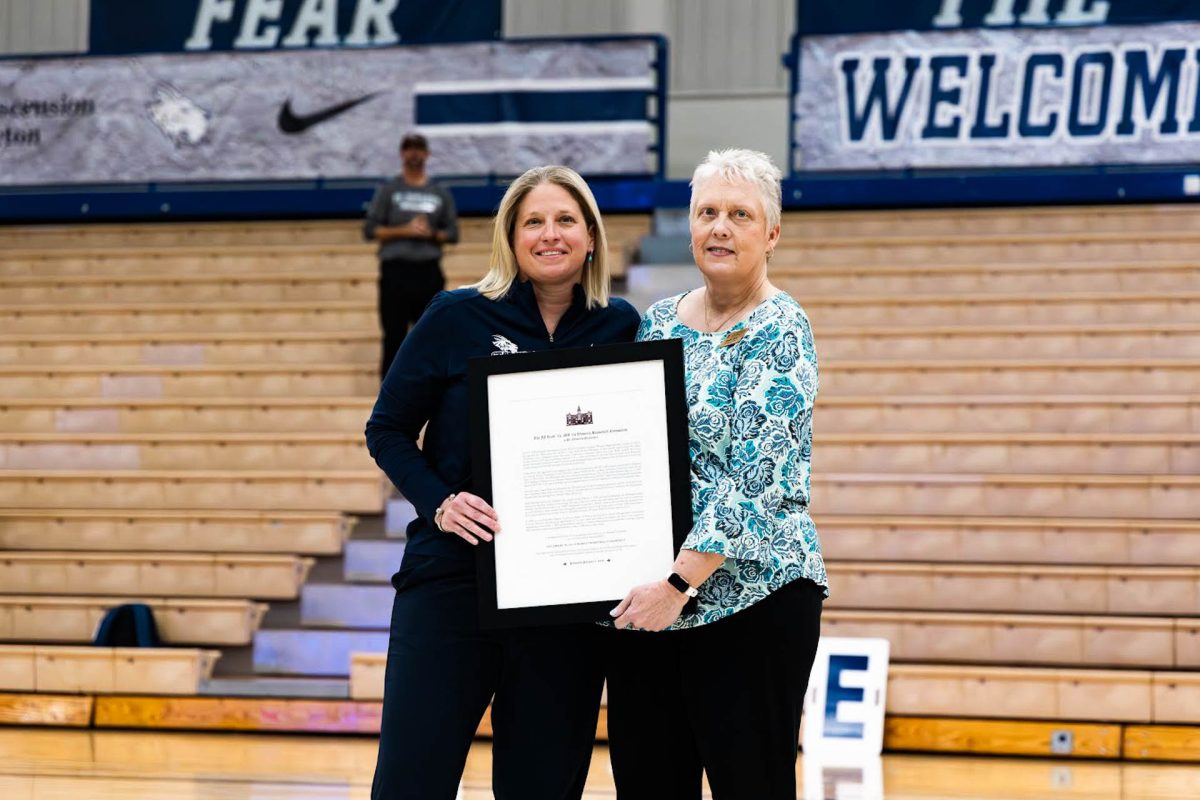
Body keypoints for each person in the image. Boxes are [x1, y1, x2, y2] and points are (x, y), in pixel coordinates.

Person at [364, 165, 641, 800]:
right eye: (534, 222)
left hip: (565, 602)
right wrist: (439, 502)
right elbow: (387, 429)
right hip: (451, 584)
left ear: (591, 236)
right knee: (411, 781)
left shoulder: (621, 327)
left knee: (542, 787)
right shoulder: (455, 315)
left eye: (566, 220)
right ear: (510, 238)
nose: (550, 234)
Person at [606, 148, 828, 799]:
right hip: (654, 604)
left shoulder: (781, 329)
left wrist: (678, 581)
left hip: (752, 600)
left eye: (740, 214)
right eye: (707, 212)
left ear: (772, 233)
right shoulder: (658, 323)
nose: (720, 227)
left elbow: (756, 482)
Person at [363, 132, 459, 377]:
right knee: (394, 335)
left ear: (426, 154)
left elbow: (453, 233)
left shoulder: (439, 192)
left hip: (428, 271)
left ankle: (431, 387)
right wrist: (404, 230)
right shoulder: (389, 190)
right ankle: (389, 391)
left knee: (430, 334)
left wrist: (430, 234)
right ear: (402, 153)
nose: (414, 153)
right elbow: (370, 229)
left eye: (418, 148)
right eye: (409, 148)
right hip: (395, 271)